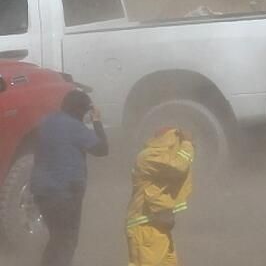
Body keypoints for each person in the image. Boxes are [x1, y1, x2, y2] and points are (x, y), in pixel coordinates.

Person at [30, 89, 108, 266]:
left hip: (41, 191)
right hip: (65, 193)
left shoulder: (47, 121)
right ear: (81, 110)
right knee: (66, 241)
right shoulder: (75, 127)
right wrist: (96, 120)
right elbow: (102, 149)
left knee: (56, 238)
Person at [125, 127, 195, 266]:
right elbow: (179, 166)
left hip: (158, 224)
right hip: (144, 226)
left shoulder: (163, 158)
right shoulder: (148, 156)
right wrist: (187, 144)